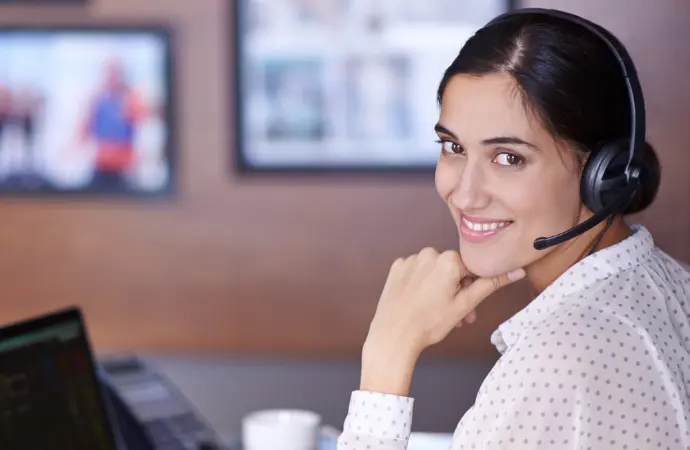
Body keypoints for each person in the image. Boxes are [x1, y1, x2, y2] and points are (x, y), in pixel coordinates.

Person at [337, 9, 690, 450]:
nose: (465, 195)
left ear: (604, 173)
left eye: (508, 157)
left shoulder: (553, 363)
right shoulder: (672, 285)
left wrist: (386, 359)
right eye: (453, 147)